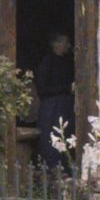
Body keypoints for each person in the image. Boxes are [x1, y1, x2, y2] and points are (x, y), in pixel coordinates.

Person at [34, 32, 76, 173]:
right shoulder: (47, 61)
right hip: (52, 107)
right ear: (55, 44)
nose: (68, 46)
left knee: (66, 137)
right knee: (52, 139)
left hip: (65, 106)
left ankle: (65, 169)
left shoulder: (67, 61)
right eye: (65, 42)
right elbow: (43, 88)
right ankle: (52, 171)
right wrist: (67, 88)